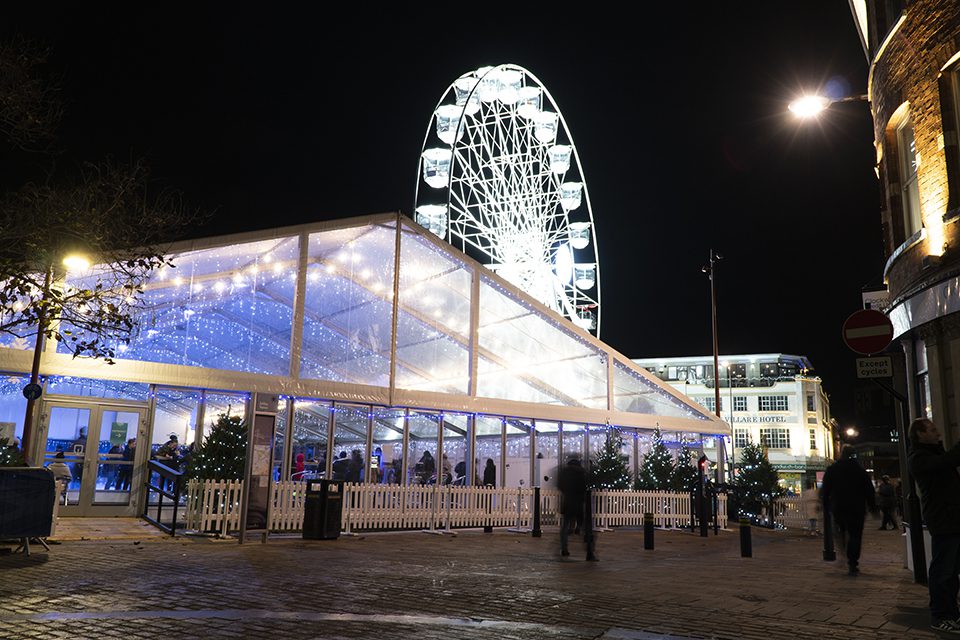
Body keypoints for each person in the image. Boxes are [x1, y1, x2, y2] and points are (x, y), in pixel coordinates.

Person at [907, 417, 960, 634]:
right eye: (932, 429)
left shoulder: (933, 452)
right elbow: (946, 462)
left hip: (951, 518)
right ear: (920, 434)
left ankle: (951, 613)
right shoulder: (919, 457)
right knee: (943, 570)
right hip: (943, 519)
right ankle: (940, 616)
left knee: (951, 570)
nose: (937, 432)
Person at [820, 444, 877, 576]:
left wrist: (825, 505)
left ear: (841, 454)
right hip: (857, 508)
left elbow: (826, 489)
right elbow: (869, 490)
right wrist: (872, 507)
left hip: (839, 507)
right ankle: (852, 561)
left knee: (840, 531)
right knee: (855, 535)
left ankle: (843, 553)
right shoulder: (859, 470)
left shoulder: (833, 469)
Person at [557, 457, 589, 558]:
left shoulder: (564, 474)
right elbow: (584, 487)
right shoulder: (581, 474)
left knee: (565, 526)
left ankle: (564, 548)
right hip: (578, 502)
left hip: (567, 502)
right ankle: (589, 550)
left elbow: (560, 486)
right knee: (584, 526)